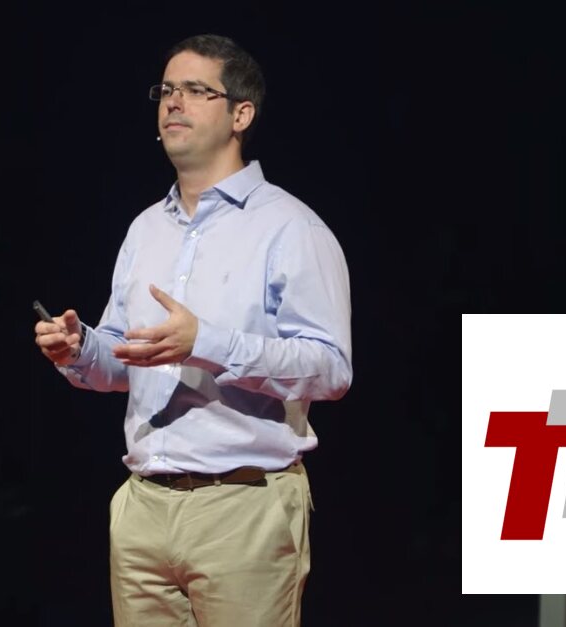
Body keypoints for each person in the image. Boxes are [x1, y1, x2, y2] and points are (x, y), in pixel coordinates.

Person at [34, 34, 352, 627]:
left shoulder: (290, 227)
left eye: (196, 90)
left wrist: (206, 344)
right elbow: (125, 361)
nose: (173, 102)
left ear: (240, 114)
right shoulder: (145, 229)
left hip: (242, 504)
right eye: (166, 90)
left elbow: (331, 369)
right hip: (144, 504)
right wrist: (81, 349)